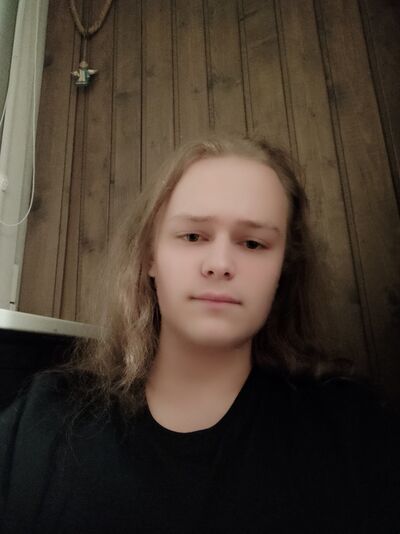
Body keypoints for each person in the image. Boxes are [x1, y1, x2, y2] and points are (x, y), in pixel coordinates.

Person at [0, 135, 399, 533]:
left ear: (283, 270)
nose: (220, 263)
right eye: (193, 236)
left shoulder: (353, 430)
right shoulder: (43, 418)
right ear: (150, 257)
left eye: (253, 243)